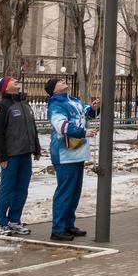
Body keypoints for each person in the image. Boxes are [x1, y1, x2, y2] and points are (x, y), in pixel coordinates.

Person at [45, 77, 100, 242]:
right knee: (65, 191)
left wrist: (93, 108)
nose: (63, 81)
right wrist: (83, 133)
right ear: (53, 90)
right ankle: (58, 229)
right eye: (59, 82)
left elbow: (86, 114)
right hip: (64, 153)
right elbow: (61, 126)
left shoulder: (73, 101)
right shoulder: (55, 105)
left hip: (77, 152)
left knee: (74, 192)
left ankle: (69, 224)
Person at [0, 74, 41, 236]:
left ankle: (14, 220)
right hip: (11, 156)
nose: (16, 81)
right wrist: (2, 157)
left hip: (25, 154)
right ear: (5, 87)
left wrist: (37, 148)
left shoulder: (24, 104)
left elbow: (33, 128)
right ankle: (2, 223)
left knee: (21, 189)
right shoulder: (2, 106)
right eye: (12, 80)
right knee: (7, 189)